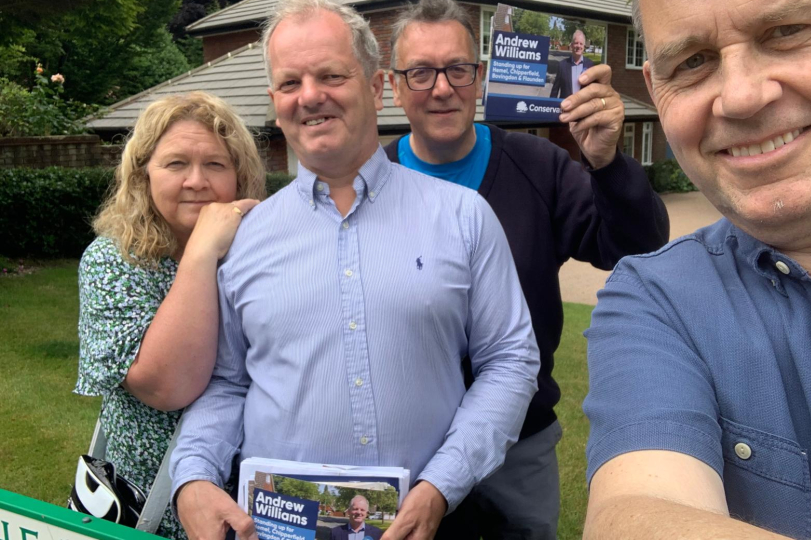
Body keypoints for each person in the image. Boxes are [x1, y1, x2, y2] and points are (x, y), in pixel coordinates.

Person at [169, 1, 540, 539]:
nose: (310, 96)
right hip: (281, 526)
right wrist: (194, 477)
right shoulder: (245, 239)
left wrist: (441, 485)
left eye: (330, 75)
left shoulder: (462, 217)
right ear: (275, 104)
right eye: (290, 82)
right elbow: (227, 382)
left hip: (428, 524)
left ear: (376, 86)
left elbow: (509, 361)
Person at [384, 0, 669, 537]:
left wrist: (607, 163)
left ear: (480, 78)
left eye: (457, 69)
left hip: (519, 445)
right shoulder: (370, 182)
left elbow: (636, 246)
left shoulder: (539, 168)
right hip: (408, 448)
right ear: (395, 88)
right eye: (420, 72)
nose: (441, 88)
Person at [582, 0, 811, 538]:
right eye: (692, 62)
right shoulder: (657, 300)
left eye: (787, 31)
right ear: (654, 89)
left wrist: (607, 166)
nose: (741, 97)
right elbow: (635, 513)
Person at [74, 91, 265, 539]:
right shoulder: (113, 262)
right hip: (149, 510)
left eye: (216, 165)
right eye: (176, 163)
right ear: (143, 175)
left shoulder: (264, 255)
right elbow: (167, 387)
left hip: (257, 499)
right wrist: (201, 252)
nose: (196, 180)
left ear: (241, 176)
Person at [549, 30, 594, 99]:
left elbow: (593, 89)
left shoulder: (590, 65)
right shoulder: (562, 65)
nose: (578, 46)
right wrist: (551, 106)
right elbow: (555, 90)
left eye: (581, 44)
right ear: (572, 45)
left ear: (584, 47)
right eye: (576, 43)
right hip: (566, 107)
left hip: (583, 107)